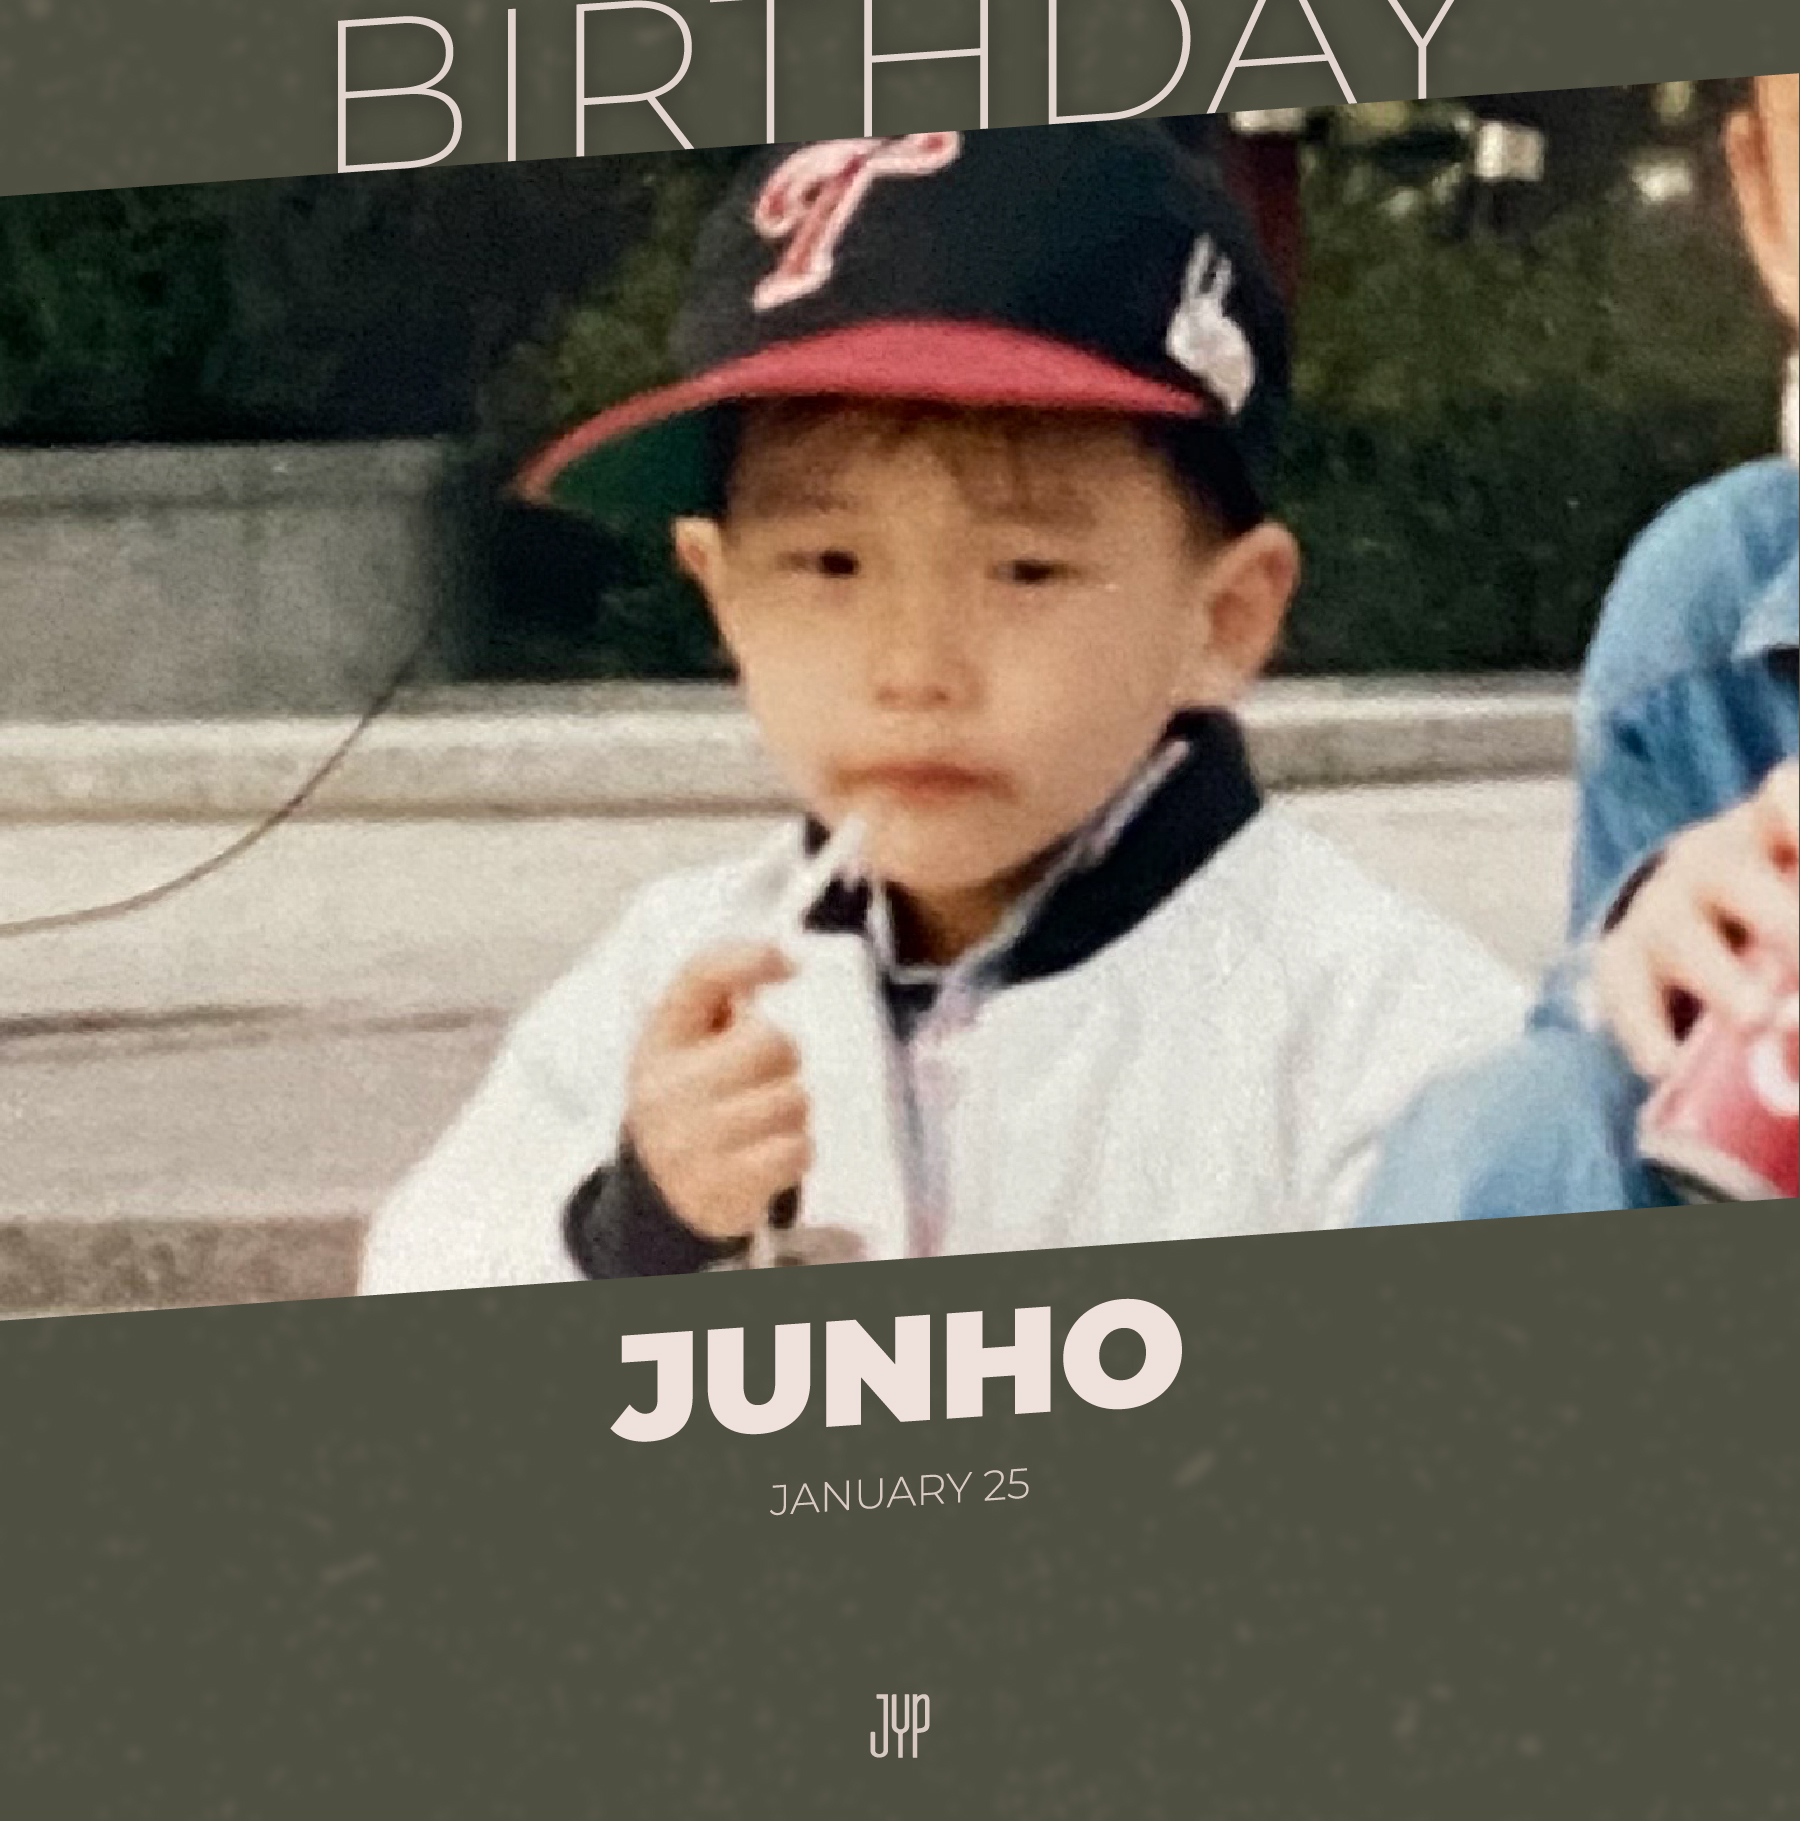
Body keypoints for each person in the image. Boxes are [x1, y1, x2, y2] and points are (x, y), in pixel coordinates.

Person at [360, 123, 1524, 1291]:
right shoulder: (675, 971)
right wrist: (632, 1230)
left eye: (1025, 570)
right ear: (720, 593)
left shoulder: (1378, 1028)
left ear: (1224, 618)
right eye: (829, 563)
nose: (914, 669)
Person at [1358, 74, 1799, 1223]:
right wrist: (1658, 951)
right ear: (1767, 207)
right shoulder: (1710, 613)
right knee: (1521, 1128)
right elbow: (1585, 1115)